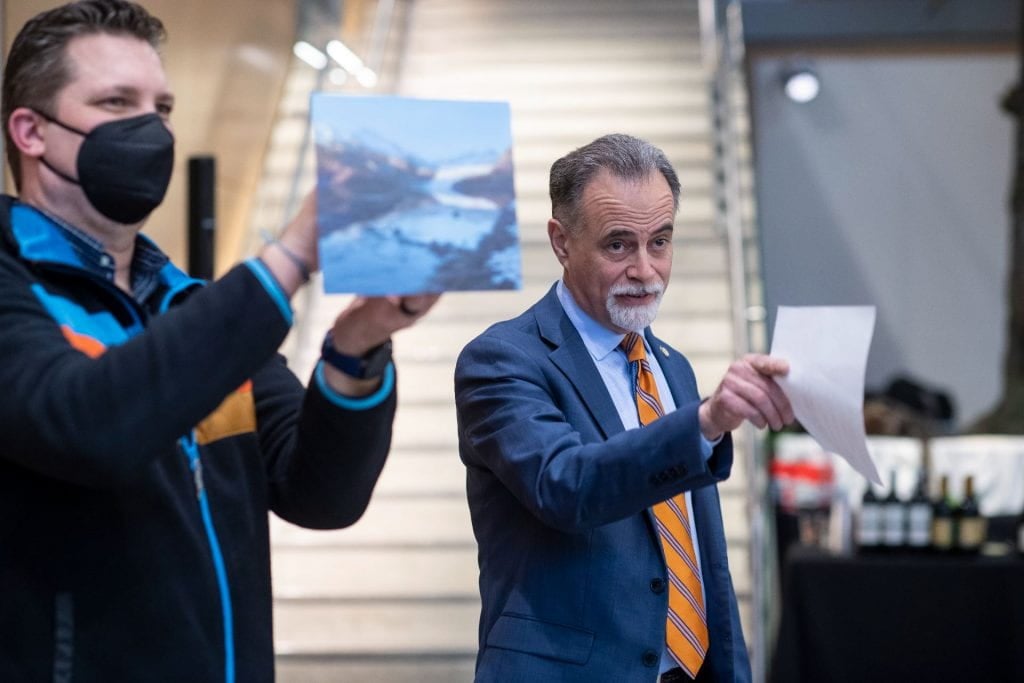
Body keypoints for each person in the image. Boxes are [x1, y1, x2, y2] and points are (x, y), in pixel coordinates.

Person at [0, 1, 438, 681]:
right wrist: (290, 254)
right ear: (30, 131)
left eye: (163, 106)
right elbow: (86, 421)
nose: (151, 128)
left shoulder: (189, 305)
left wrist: (359, 345)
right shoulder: (13, 287)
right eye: (117, 102)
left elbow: (319, 492)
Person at [455, 133, 793, 682]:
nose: (645, 270)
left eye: (660, 242)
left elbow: (701, 554)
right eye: (618, 245)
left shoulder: (672, 366)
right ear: (561, 242)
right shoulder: (502, 360)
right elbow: (564, 486)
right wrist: (705, 422)